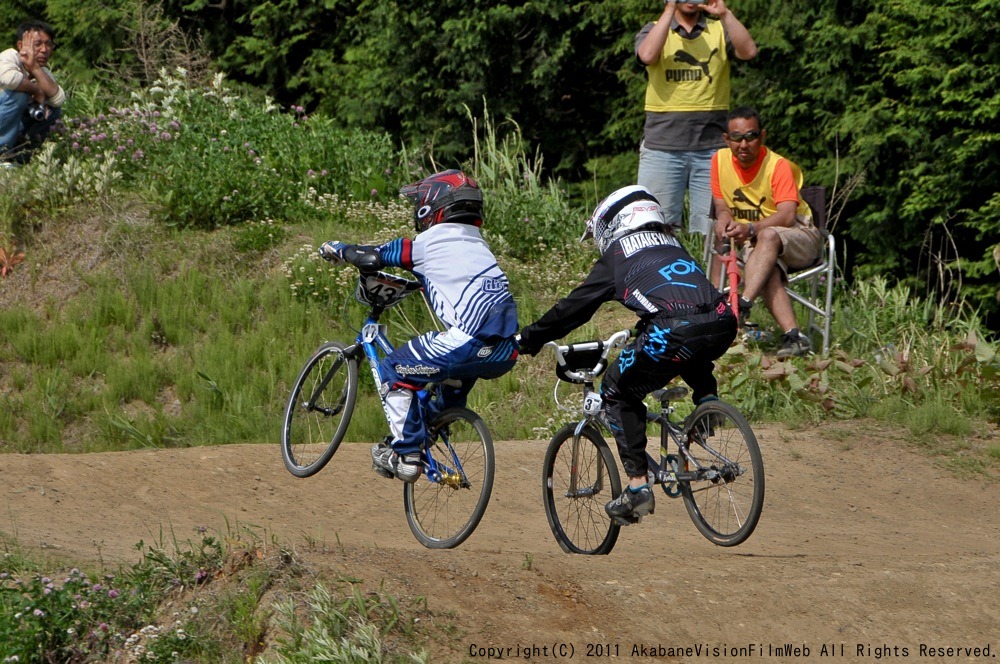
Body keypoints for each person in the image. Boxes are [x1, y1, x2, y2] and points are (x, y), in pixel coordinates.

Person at [518, 185, 736, 524]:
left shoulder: (618, 255)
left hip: (672, 330)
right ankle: (707, 402)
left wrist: (528, 339)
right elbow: (685, 300)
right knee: (691, 341)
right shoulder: (673, 244)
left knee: (616, 392)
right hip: (723, 321)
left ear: (613, 224)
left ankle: (636, 488)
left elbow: (572, 310)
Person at [319, 169, 519, 482]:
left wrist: (339, 249)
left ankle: (407, 454)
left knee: (395, 369)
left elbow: (371, 257)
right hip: (505, 351)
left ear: (432, 206)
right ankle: (430, 431)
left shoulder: (428, 243)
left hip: (468, 342)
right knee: (442, 392)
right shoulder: (479, 246)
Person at [635, 0, 756, 237]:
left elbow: (748, 51)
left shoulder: (719, 29)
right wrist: (669, 10)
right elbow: (647, 55)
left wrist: (724, 13)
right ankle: (662, 275)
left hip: (712, 148)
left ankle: (708, 275)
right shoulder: (654, 28)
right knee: (655, 228)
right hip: (663, 146)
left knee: (713, 232)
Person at [711, 106, 823, 358]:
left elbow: (786, 215)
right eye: (737, 137)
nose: (744, 144)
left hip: (799, 234)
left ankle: (743, 304)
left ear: (762, 136)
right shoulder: (718, 161)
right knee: (767, 267)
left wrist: (749, 228)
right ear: (727, 140)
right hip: (758, 242)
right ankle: (795, 337)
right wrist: (724, 218)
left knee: (769, 235)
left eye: (750, 136)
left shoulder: (779, 165)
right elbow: (720, 205)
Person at [0, 20, 65, 165]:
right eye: (38, 44)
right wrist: (37, 91)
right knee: (18, 95)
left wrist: (35, 69)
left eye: (49, 44)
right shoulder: (9, 57)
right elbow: (10, 79)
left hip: (14, 127)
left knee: (52, 109)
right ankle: (1, 153)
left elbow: (58, 99)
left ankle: (19, 157)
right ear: (21, 46)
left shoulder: (42, 72)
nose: (44, 49)